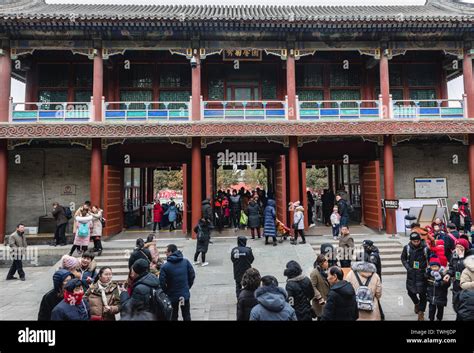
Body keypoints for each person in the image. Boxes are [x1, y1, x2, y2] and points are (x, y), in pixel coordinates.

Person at [159, 244, 195, 321]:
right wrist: (187, 286)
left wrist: (166, 291)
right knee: (186, 315)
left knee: (173, 316)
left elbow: (161, 282)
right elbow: (192, 275)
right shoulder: (186, 262)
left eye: (166, 252)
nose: (165, 254)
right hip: (184, 294)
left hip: (172, 295)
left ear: (171, 252)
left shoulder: (165, 266)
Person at [401, 232, 430, 321]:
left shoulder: (425, 248)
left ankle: (421, 312)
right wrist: (408, 268)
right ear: (411, 241)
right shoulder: (407, 248)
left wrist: (428, 270)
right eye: (414, 241)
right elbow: (403, 258)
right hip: (411, 274)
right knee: (410, 292)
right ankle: (416, 303)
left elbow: (430, 259)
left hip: (422, 274)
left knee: (423, 295)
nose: (416, 243)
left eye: (417, 241)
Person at [445, 238, 472, 307]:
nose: (458, 249)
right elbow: (451, 267)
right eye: (457, 247)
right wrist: (449, 274)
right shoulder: (454, 255)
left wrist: (461, 258)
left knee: (465, 307)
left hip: (467, 284)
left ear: (465, 248)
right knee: (456, 304)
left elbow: (466, 269)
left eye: (461, 247)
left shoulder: (470, 256)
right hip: (456, 283)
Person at [425, 256, 449, 321]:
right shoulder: (429, 274)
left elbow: (447, 283)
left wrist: (440, 283)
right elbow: (425, 281)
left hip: (441, 295)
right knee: (431, 308)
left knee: (440, 309)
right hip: (431, 295)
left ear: (439, 266)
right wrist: (427, 274)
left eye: (436, 266)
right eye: (433, 267)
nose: (435, 268)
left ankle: (439, 318)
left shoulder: (443, 274)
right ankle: (431, 318)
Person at [310, 254, 330, 320]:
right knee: (321, 317)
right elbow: (312, 286)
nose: (328, 263)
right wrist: (319, 297)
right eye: (326, 262)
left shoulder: (327, 271)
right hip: (320, 301)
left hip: (327, 299)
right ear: (321, 263)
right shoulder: (314, 273)